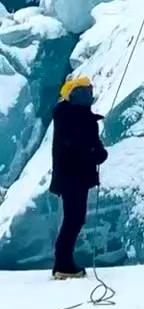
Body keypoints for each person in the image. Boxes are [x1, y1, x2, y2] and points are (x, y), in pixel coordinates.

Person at [50, 74, 107, 280]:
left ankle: (63, 262)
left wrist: (95, 152)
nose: (90, 94)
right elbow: (78, 148)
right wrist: (97, 154)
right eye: (87, 91)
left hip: (71, 177)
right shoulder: (77, 118)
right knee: (74, 219)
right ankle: (63, 264)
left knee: (73, 219)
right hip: (74, 177)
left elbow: (77, 145)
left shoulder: (69, 116)